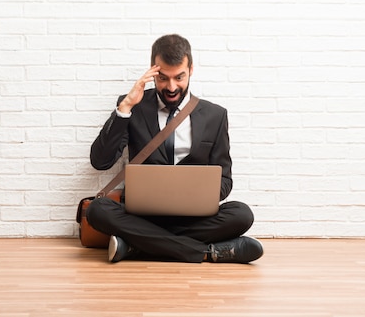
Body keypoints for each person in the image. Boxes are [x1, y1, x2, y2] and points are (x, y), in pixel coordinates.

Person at [86, 34, 263, 264]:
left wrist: (198, 197)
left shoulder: (215, 116)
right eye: (162, 78)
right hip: (142, 216)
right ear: (152, 73)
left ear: (191, 70)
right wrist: (125, 107)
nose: (171, 87)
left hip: (192, 219)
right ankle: (207, 252)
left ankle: (136, 246)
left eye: (179, 77)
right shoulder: (134, 106)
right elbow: (100, 161)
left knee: (241, 214)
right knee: (98, 210)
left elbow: (225, 180)